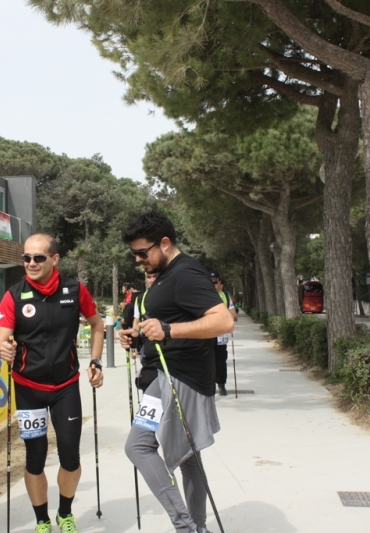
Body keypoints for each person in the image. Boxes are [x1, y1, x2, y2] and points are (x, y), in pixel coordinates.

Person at [118, 211, 234, 533]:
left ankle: (185, 525)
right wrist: (138, 332)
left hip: (180, 377)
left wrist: (168, 330)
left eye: (143, 252)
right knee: (188, 457)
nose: (139, 259)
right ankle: (197, 527)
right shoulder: (168, 275)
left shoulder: (186, 273)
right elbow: (167, 318)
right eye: (134, 254)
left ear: (165, 243)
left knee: (138, 446)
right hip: (164, 377)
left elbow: (223, 321)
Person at [0, 233, 104, 533]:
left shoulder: (74, 289)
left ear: (54, 259)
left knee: (70, 455)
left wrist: (95, 361)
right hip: (28, 387)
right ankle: (42, 520)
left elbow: (97, 325)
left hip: (65, 386)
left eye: (38, 257)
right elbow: (0, 339)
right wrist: (1, 347)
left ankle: (65, 514)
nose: (30, 263)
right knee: (35, 457)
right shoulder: (14, 295)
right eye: (26, 258)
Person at [209, 272, 238, 396]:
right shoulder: (202, 295)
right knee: (207, 360)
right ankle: (209, 386)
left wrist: (229, 317)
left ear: (220, 283)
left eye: (215, 282)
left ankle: (221, 384)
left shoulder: (225, 296)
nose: (212, 285)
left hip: (220, 334)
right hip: (205, 333)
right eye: (210, 282)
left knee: (220, 360)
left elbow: (234, 314)